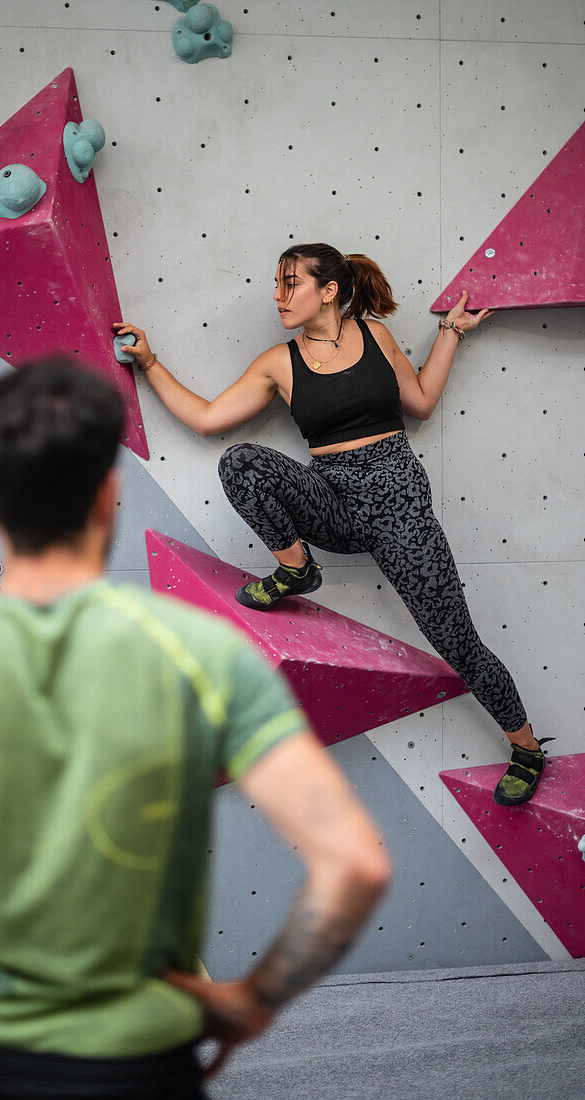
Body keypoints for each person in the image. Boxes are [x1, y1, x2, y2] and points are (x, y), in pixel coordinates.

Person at [0, 358, 390, 1100]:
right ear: (108, 496)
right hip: (144, 1062)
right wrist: (249, 1001)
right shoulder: (202, 656)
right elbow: (355, 865)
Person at [113, 243, 553, 807]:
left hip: (399, 505)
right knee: (241, 461)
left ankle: (527, 749)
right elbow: (206, 418)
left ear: (329, 290)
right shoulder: (279, 362)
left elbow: (418, 401)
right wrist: (149, 363)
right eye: (276, 284)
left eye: (289, 283)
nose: (278, 295)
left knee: (457, 642)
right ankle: (295, 569)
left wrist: (452, 333)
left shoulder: (374, 336)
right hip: (336, 501)